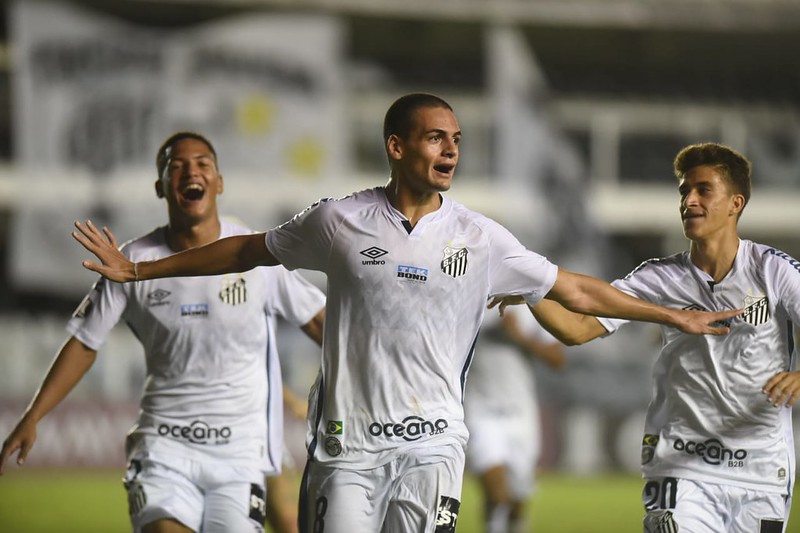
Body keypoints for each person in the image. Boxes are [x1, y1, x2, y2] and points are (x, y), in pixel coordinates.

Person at [68, 94, 740, 533]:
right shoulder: (337, 222)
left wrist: (669, 315)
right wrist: (141, 269)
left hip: (432, 444)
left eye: (455, 139)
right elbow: (245, 250)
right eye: (434, 138)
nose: (449, 150)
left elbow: (577, 290)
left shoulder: (481, 238)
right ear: (396, 146)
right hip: (346, 448)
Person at [0, 131, 326, 533]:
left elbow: (318, 322)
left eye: (203, 163)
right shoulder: (132, 262)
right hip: (163, 446)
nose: (191, 171)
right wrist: (34, 415)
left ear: (219, 182)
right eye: (177, 166)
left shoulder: (253, 255)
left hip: (241, 453)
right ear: (161, 187)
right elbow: (86, 342)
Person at [498, 142, 800, 532]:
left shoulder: (774, 272)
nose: (689, 200)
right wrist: (532, 290)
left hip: (761, 472)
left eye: (703, 189)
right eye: (684, 191)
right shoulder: (660, 277)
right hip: (682, 467)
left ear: (735, 203)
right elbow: (577, 328)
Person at [464, 301, 565, 533]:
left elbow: (558, 359)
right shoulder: (472, 301)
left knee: (517, 502)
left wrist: (520, 337)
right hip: (480, 410)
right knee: (496, 494)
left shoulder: (531, 306)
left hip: (521, 413)